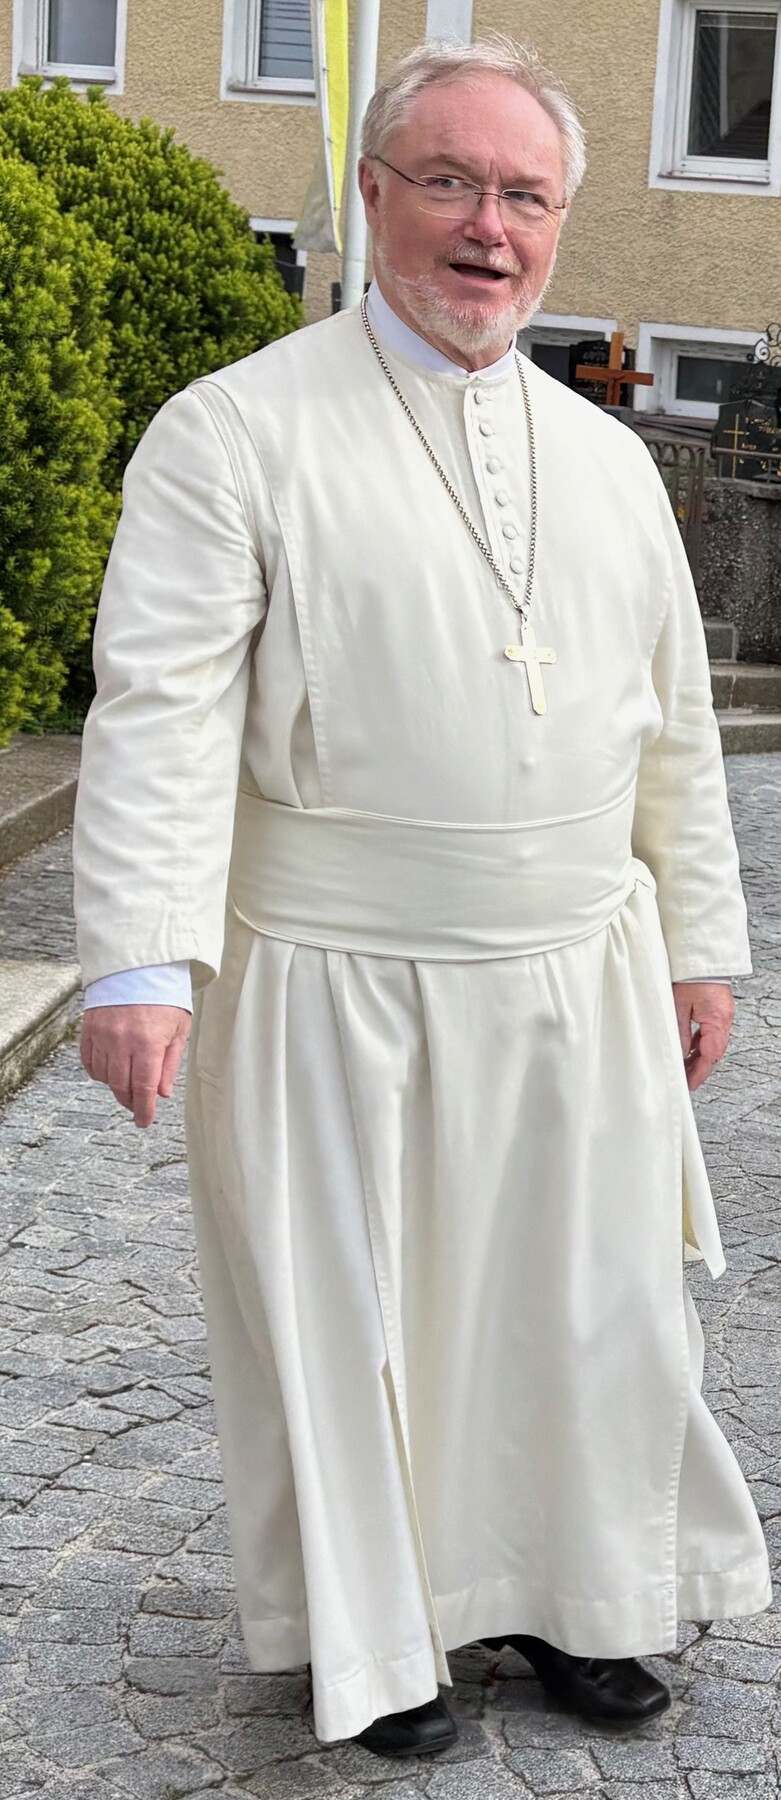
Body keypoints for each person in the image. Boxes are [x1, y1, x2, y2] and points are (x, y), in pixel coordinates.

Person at [73, 33, 771, 1762]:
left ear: (557, 224)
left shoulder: (605, 460)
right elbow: (161, 711)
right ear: (373, 194)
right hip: (331, 967)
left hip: (575, 973)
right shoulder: (233, 433)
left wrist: (697, 942)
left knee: (582, 1307)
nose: (486, 228)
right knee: (354, 1321)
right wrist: (138, 962)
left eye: (522, 194)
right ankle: (376, 1643)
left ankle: (579, 1603)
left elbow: (670, 724)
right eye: (447, 182)